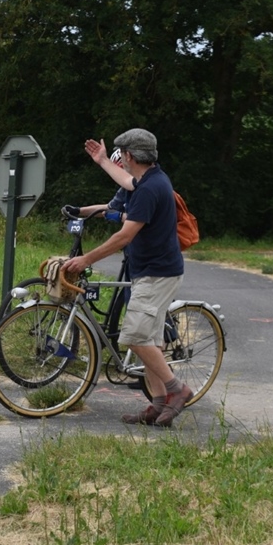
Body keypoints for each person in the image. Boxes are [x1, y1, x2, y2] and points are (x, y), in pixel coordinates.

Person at [62, 129, 191, 427]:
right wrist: (102, 161)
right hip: (153, 271)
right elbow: (124, 181)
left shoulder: (149, 189)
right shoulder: (149, 179)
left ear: (130, 156)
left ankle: (177, 390)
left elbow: (124, 236)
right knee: (150, 342)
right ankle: (158, 405)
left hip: (157, 275)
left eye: (122, 154)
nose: (121, 159)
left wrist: (86, 259)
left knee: (134, 337)